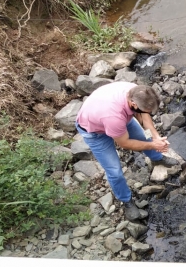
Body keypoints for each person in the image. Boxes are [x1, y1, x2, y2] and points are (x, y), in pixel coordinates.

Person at [75, 81, 179, 221]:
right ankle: (126, 201)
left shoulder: (137, 91)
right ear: (134, 105)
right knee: (115, 172)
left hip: (119, 118)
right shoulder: (113, 116)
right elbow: (125, 143)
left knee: (144, 137)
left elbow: (145, 119)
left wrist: (156, 137)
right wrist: (154, 145)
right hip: (95, 133)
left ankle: (157, 158)